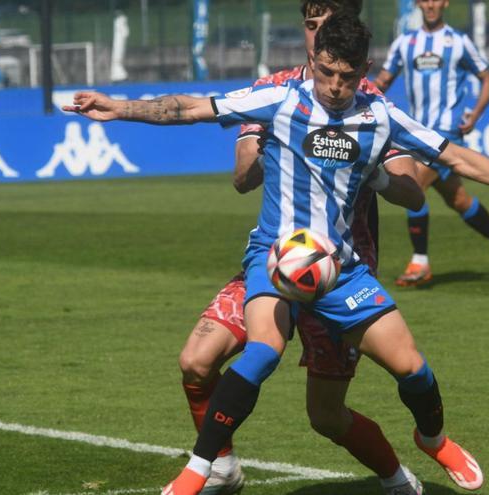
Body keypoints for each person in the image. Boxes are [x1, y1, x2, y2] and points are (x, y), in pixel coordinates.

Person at [65, 14, 489, 495]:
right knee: (263, 350)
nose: (335, 86)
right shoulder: (281, 100)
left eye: (347, 75)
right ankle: (201, 468)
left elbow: (451, 155)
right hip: (276, 257)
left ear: (366, 71)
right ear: (314, 62)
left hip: (340, 269)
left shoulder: (380, 115)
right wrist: (119, 107)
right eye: (327, 72)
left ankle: (432, 441)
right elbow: (191, 108)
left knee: (413, 368)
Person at [182, 3, 429, 494]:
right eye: (311, 25)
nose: (317, 36)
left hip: (340, 273)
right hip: (278, 261)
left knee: (326, 415)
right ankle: (221, 466)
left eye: (327, 25)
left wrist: (378, 172)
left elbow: (412, 185)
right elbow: (241, 179)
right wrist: (264, 149)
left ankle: (398, 480)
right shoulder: (273, 91)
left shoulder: (367, 102)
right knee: (197, 360)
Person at [375, 0, 489, 285]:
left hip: (446, 134)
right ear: (418, 3)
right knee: (458, 200)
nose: (430, 4)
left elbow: (488, 80)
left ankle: (420, 263)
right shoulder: (405, 43)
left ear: (445, 3)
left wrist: (475, 115)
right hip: (417, 134)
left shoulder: (458, 42)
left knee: (413, 185)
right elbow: (382, 81)